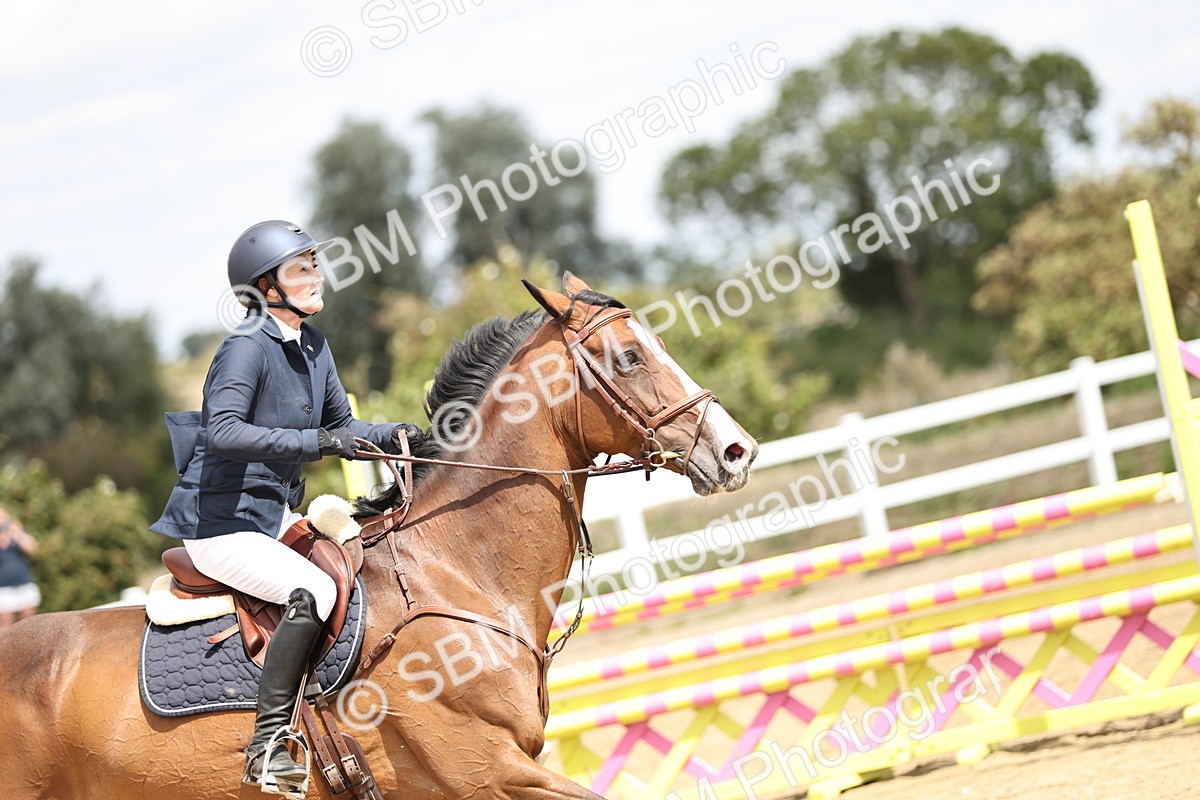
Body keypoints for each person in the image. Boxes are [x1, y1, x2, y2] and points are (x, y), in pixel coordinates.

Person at [150, 220, 423, 794]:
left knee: (357, 567)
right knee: (315, 591)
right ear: (265, 287)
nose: (316, 276)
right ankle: (267, 745)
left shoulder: (314, 344)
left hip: (271, 517)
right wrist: (317, 442)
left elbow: (344, 426)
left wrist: (400, 435)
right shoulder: (245, 347)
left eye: (315, 265)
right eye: (301, 269)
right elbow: (224, 431)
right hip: (222, 523)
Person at [0, 505, 40, 627]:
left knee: (29, 621)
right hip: (3, 585)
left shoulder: (17, 531)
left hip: (23, 581)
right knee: (5, 621)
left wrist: (17, 532)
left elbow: (32, 549)